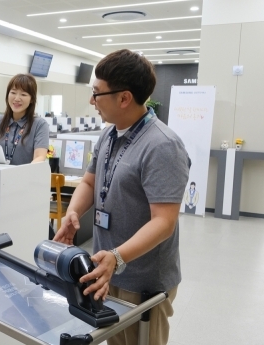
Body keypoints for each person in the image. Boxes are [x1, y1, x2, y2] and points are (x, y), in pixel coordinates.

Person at [54, 49, 190, 345]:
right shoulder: (109, 134)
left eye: (96, 93)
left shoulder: (162, 146)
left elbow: (164, 222)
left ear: (124, 98)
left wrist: (117, 257)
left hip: (142, 282)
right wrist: (73, 212)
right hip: (106, 270)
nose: (92, 101)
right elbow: (90, 182)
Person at [0, 73, 49, 165]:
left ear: (32, 99)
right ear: (7, 95)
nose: (17, 98)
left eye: (23, 94)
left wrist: (23, 172)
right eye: (13, 93)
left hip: (24, 177)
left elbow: (40, 157)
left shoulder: (39, 124)